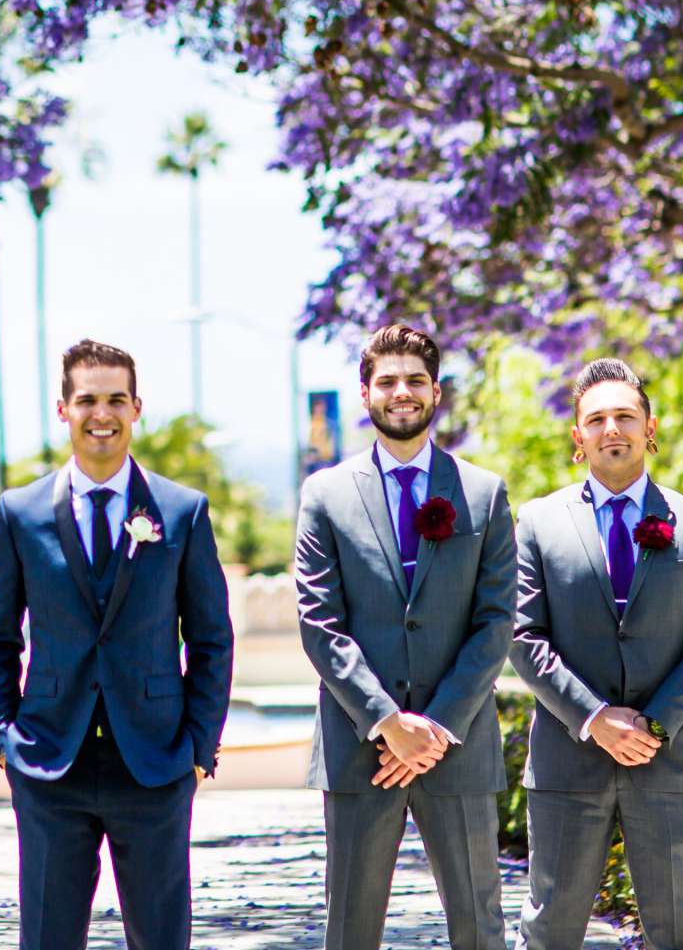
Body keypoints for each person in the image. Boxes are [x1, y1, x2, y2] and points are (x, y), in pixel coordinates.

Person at [0, 338, 234, 950]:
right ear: (62, 409)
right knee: (47, 937)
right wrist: (2, 736)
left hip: (154, 759)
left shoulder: (182, 510)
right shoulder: (20, 512)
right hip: (47, 760)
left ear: (137, 407)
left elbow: (211, 638)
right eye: (87, 398)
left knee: (162, 937)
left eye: (116, 398)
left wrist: (199, 743)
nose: (102, 413)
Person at [294, 322, 516, 950]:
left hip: (460, 746)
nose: (402, 392)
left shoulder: (484, 492)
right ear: (365, 394)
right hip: (360, 748)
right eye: (386, 381)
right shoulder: (326, 494)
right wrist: (387, 721)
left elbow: (496, 619)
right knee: (351, 929)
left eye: (415, 380)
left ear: (436, 392)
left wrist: (438, 724)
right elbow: (320, 623)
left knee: (479, 926)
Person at [510, 358, 683, 950]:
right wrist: (594, 718)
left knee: (681, 931)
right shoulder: (536, 523)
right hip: (567, 761)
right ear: (578, 437)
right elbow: (523, 636)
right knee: (550, 929)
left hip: (669, 762)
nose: (613, 428)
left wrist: (652, 723)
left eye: (625, 416)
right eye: (598, 419)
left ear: (650, 428)